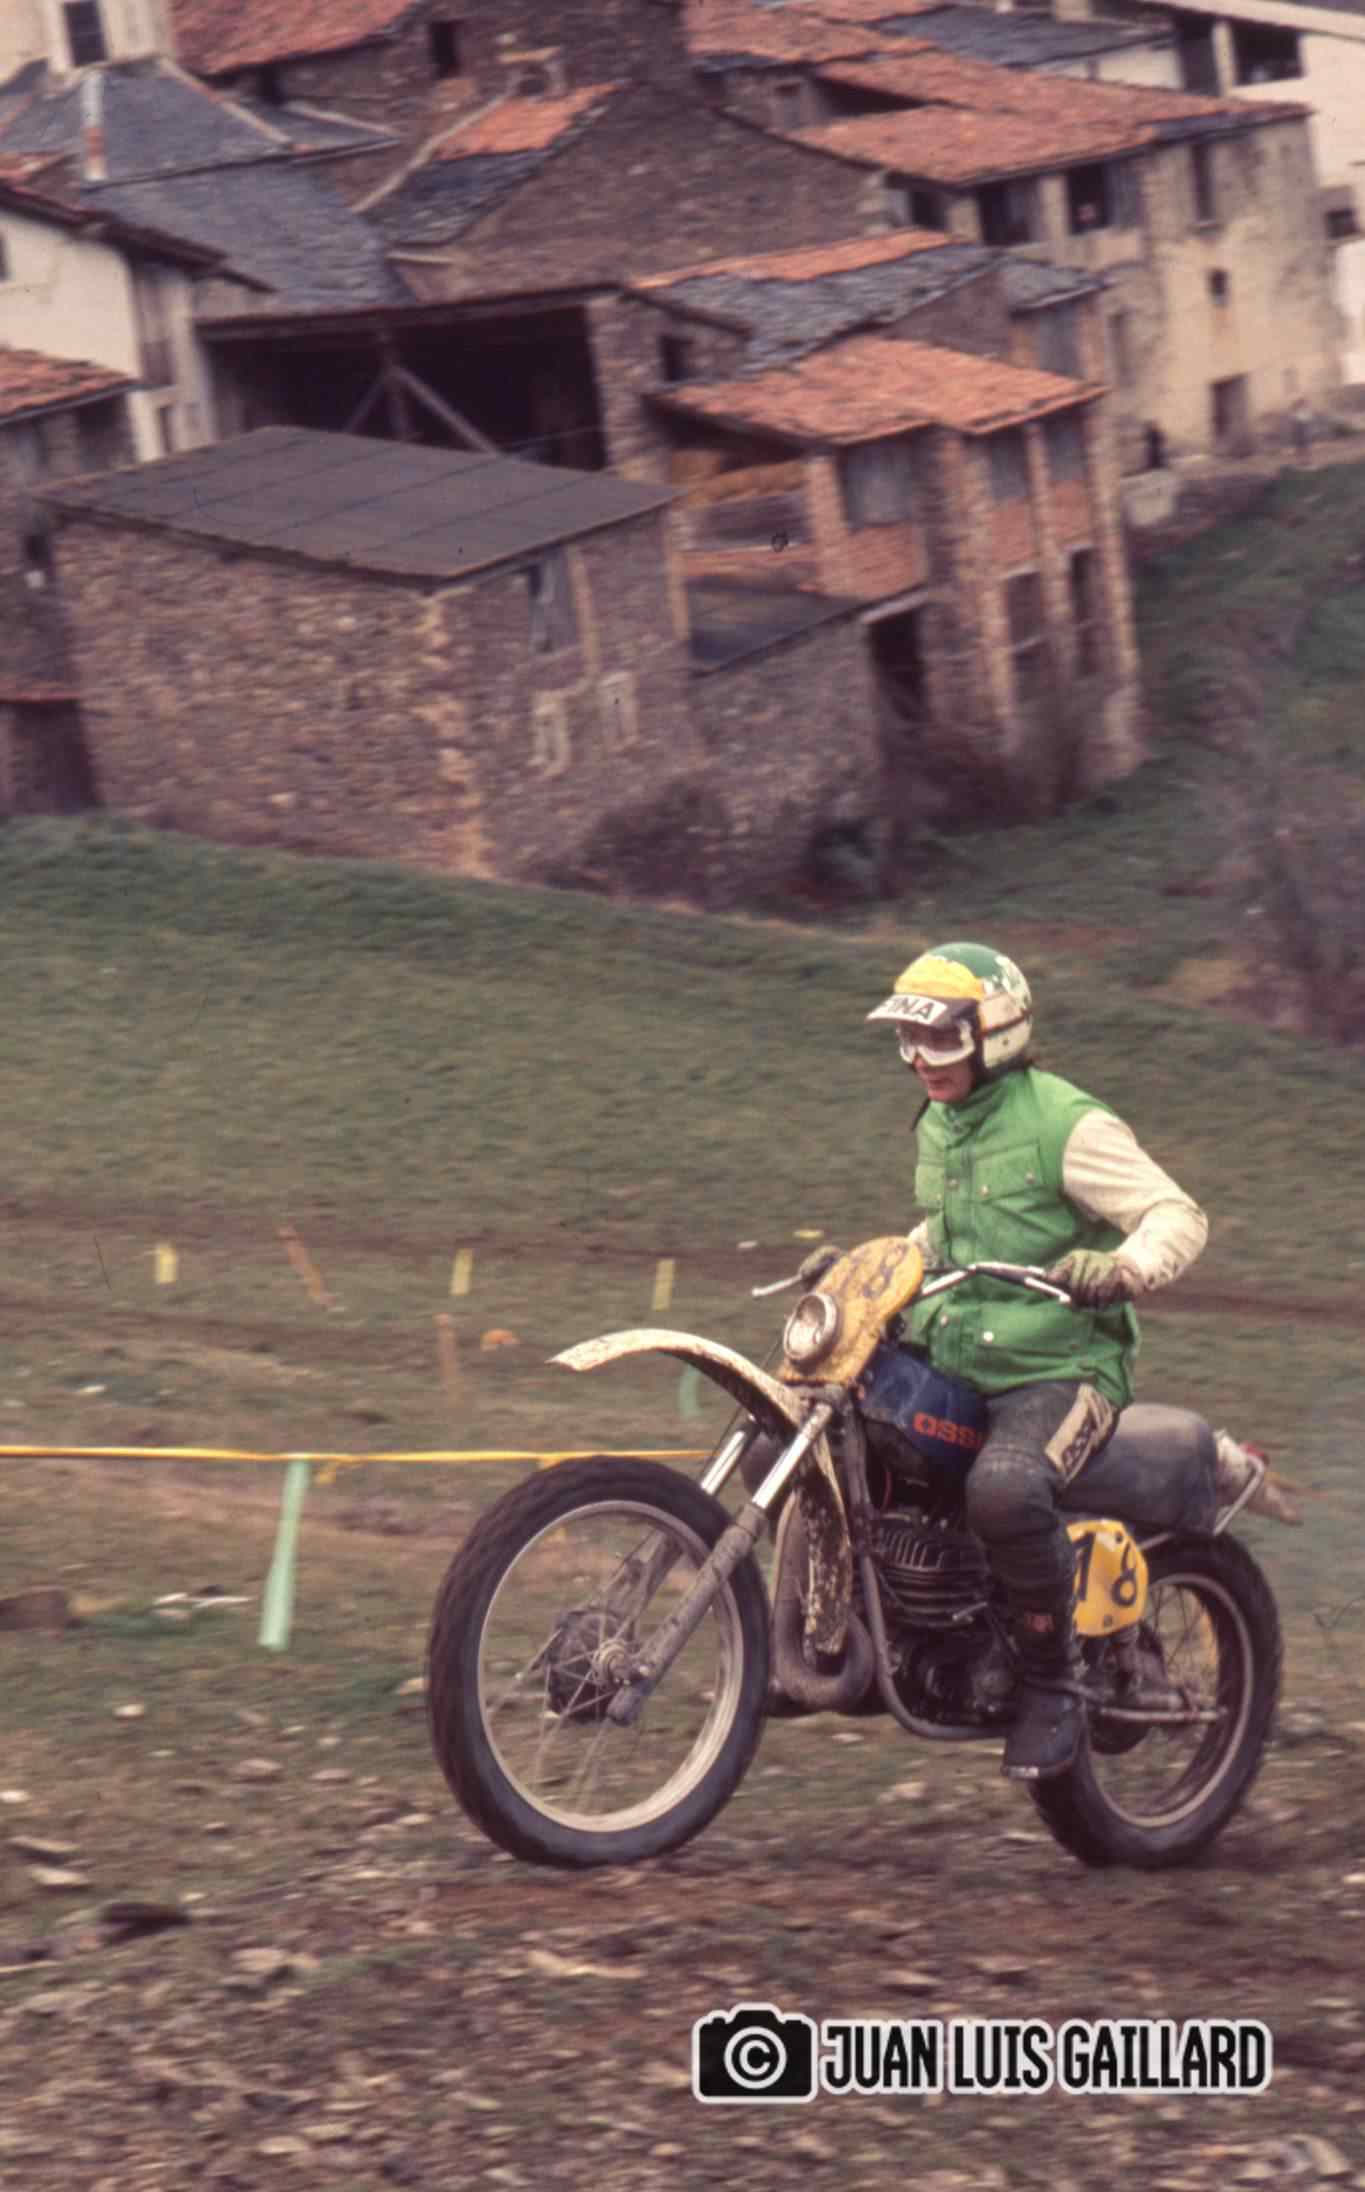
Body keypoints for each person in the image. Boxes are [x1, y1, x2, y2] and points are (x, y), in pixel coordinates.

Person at [866, 940, 1296, 1781]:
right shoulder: (944, 1124)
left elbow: (1176, 1214)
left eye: (940, 1038)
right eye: (908, 1039)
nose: (920, 1058)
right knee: (849, 1433)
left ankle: (1053, 1681)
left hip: (1059, 1370)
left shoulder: (1064, 1122)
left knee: (1003, 1488)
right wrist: (873, 1269)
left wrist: (1123, 1267)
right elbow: (950, 1233)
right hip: (959, 1357)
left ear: (995, 1034)